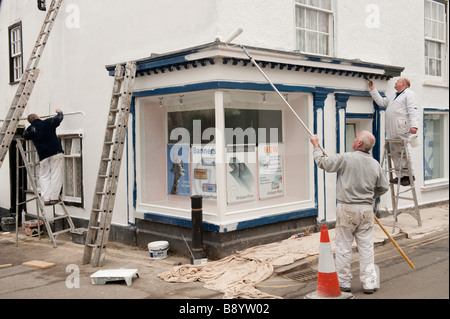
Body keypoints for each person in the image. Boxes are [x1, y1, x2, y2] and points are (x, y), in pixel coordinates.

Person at [309, 131, 389, 294]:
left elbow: (323, 163)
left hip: (347, 209)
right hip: (366, 210)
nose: (353, 139)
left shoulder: (346, 158)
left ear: (359, 144)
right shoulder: (375, 164)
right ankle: (368, 283)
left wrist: (316, 146)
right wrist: (370, 198)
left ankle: (344, 282)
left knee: (344, 246)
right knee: (366, 248)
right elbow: (384, 186)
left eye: (356, 138)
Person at [368, 78, 420, 186]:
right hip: (392, 127)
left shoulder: (409, 94)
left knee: (402, 151)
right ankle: (400, 175)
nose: (395, 83)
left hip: (401, 126)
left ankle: (409, 175)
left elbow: (413, 110)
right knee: (394, 151)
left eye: (397, 82)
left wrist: (414, 126)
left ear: (404, 84)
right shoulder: (393, 96)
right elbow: (381, 102)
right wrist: (373, 89)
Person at [22, 109, 64, 205]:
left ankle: (46, 198)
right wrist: (59, 111)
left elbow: (24, 136)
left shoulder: (30, 129)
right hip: (55, 152)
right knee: (55, 174)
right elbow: (59, 118)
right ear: (37, 117)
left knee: (44, 177)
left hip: (43, 156)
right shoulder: (48, 122)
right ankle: (54, 197)